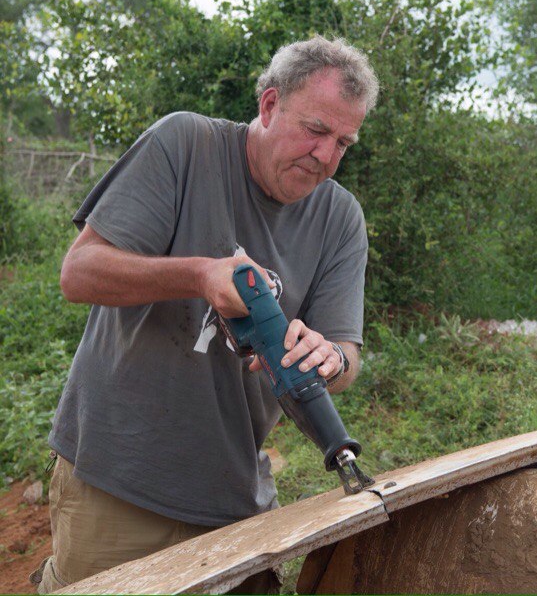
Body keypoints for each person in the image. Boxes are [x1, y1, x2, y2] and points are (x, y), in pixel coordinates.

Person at [32, 35, 379, 594]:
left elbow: (348, 350)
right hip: (117, 479)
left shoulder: (340, 218)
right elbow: (80, 273)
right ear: (269, 105)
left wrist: (331, 359)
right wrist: (198, 276)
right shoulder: (184, 144)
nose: (326, 156)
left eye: (344, 142)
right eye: (315, 130)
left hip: (232, 498)